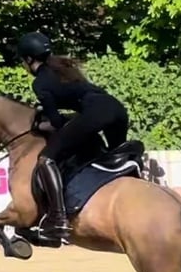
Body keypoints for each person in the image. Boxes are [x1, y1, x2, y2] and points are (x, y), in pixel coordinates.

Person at [16, 31, 130, 239]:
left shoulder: (40, 82)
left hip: (96, 113)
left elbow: (57, 123)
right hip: (117, 109)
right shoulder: (64, 69)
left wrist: (40, 126)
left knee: (46, 160)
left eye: (23, 61)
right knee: (112, 158)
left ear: (29, 59)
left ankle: (58, 219)